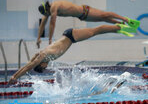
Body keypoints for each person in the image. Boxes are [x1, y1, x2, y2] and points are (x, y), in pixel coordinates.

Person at [8, 23, 136, 84]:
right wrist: (15, 77)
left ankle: (119, 27)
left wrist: (14, 78)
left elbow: (28, 67)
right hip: (70, 37)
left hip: (71, 36)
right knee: (95, 31)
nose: (46, 67)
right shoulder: (42, 56)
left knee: (95, 31)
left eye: (43, 67)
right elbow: (28, 64)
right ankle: (119, 29)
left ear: (40, 64)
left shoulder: (42, 56)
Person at [37, 0, 140, 48]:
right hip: (82, 16)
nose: (47, 15)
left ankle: (125, 19)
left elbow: (52, 23)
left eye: (46, 14)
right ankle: (120, 24)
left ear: (47, 9)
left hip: (85, 10)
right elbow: (43, 24)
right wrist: (38, 38)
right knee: (103, 19)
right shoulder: (48, 11)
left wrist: (50, 39)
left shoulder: (54, 6)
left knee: (104, 15)